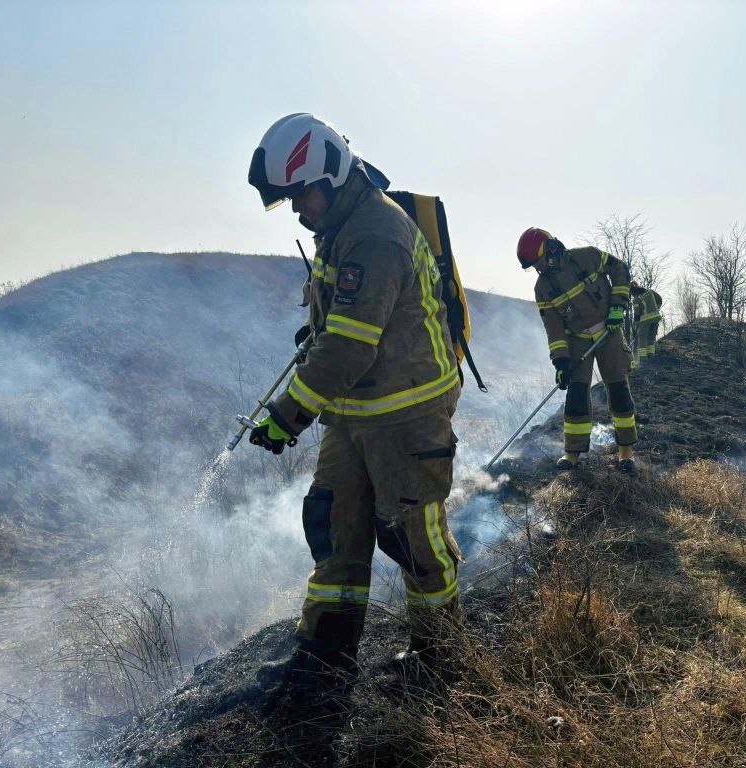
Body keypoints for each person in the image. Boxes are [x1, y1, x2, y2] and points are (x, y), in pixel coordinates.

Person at [246, 113, 464, 696]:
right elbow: (337, 328)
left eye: (300, 194)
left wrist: (286, 415)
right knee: (334, 527)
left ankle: (440, 658)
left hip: (408, 414)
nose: (296, 209)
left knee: (414, 537)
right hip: (353, 416)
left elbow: (348, 348)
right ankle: (324, 657)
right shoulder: (338, 231)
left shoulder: (373, 232)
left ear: (333, 175)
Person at [517, 227, 638, 472]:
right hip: (577, 339)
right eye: (534, 266)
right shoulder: (543, 288)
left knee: (618, 389)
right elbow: (554, 328)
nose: (539, 269)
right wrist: (560, 362)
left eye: (540, 262)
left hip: (609, 330)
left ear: (551, 249)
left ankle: (626, 452)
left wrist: (618, 306)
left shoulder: (587, 256)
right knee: (576, 395)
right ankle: (572, 453)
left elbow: (620, 270)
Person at [630, 281, 663, 364]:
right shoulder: (649, 291)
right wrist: (656, 308)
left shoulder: (636, 299)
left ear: (631, 291)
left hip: (645, 321)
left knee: (642, 340)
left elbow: (637, 315)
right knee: (651, 338)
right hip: (656, 318)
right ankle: (650, 356)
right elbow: (659, 299)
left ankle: (643, 360)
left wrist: (637, 324)